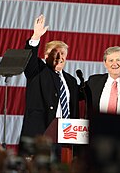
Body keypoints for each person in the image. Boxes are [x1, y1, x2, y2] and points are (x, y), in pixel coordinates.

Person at [19, 15, 79, 160]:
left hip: (66, 137)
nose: (60, 56)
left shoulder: (71, 80)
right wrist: (36, 36)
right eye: (55, 53)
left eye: (63, 53)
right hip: (40, 135)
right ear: (46, 56)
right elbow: (29, 60)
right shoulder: (38, 70)